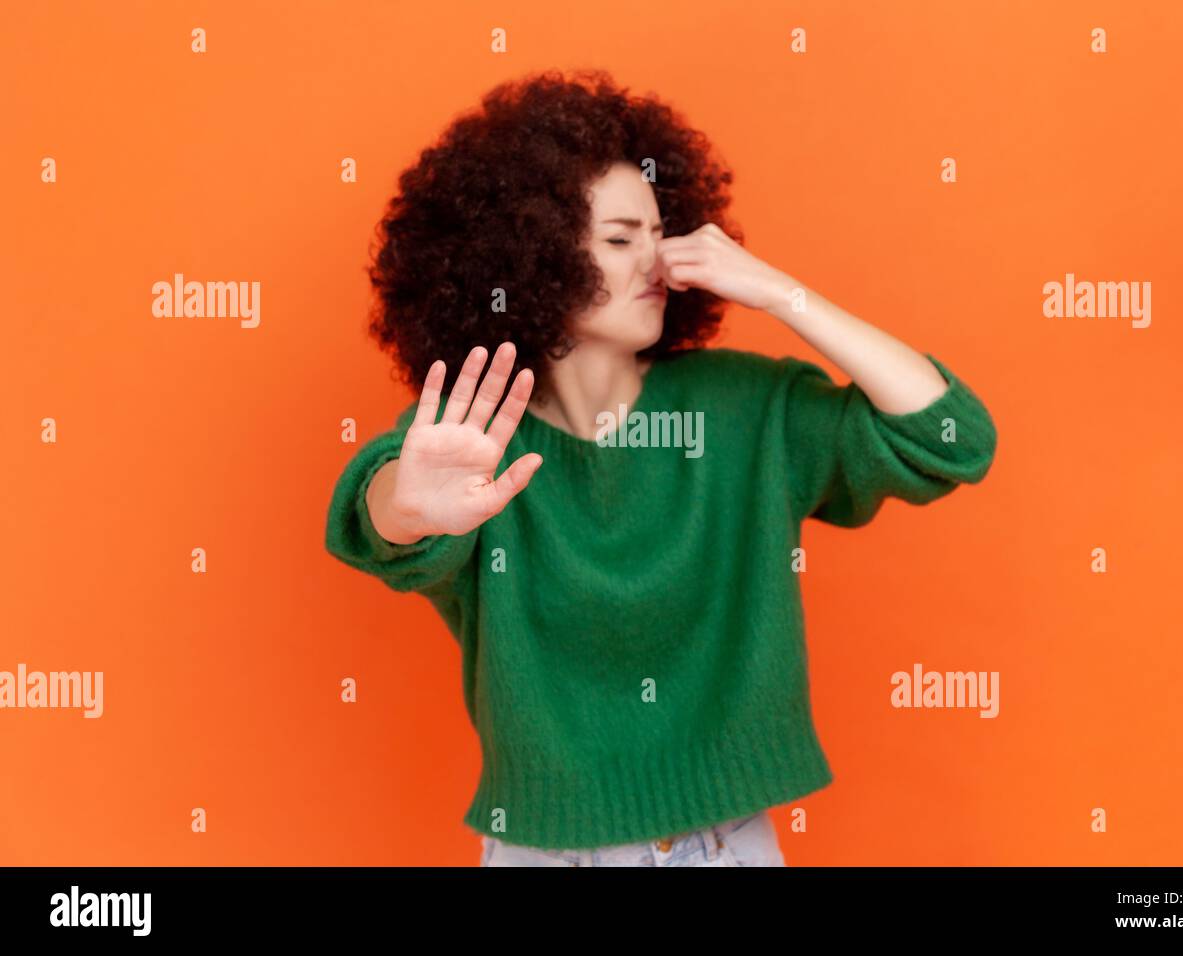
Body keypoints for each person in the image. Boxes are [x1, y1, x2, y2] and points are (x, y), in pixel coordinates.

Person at [325, 69, 998, 866]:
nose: (660, 259)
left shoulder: (747, 410)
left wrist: (784, 295)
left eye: (659, 230)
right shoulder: (474, 438)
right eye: (620, 238)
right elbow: (378, 518)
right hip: (540, 850)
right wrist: (407, 508)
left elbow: (954, 438)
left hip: (725, 846)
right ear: (529, 253)